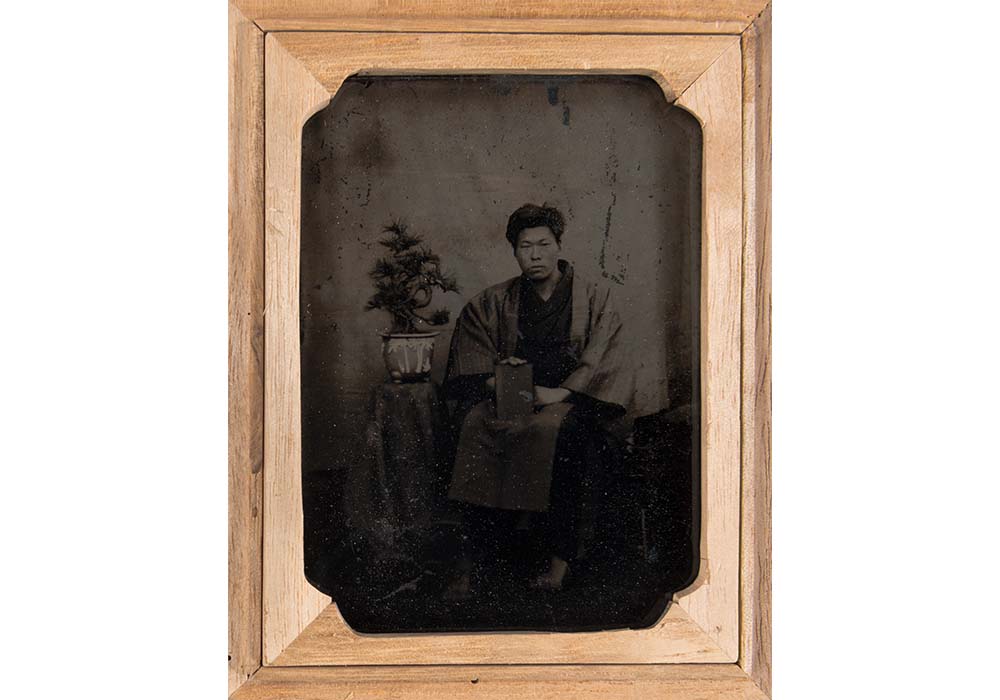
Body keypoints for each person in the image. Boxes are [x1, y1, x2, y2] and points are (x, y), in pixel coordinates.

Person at [443, 203, 634, 593]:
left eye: (544, 244)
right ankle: (475, 561)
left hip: (574, 399)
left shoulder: (595, 297)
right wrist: (503, 376)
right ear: (514, 251)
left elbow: (605, 359)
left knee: (562, 437)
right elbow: (474, 358)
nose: (535, 255)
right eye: (525, 246)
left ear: (558, 245)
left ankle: (557, 565)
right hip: (514, 396)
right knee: (474, 427)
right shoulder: (495, 301)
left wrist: (560, 393)